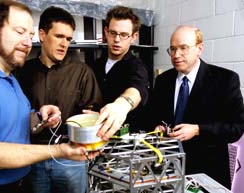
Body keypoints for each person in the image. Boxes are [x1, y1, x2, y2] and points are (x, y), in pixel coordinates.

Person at [0, 1, 98, 192]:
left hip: (16, 184)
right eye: (19, 32)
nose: (27, 42)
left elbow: (14, 126)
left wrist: (39, 117)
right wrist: (58, 150)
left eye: (30, 35)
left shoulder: (9, 79)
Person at [15, 6, 103, 193]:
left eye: (69, 39)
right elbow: (15, 116)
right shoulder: (22, 72)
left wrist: (91, 119)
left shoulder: (82, 72)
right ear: (42, 35)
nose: (65, 44)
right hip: (33, 156)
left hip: (70, 158)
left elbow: (92, 113)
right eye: (59, 36)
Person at [146, 25, 244, 189]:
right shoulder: (163, 80)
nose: (176, 55)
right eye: (172, 49)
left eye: (183, 48)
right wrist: (157, 125)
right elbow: (152, 115)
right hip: (167, 169)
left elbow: (236, 127)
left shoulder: (225, 80)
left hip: (207, 172)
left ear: (199, 49)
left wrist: (198, 129)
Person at [87, 6, 149, 140]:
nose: (117, 39)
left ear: (133, 37)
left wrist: (122, 105)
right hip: (95, 137)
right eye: (113, 33)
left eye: (124, 35)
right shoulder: (95, 65)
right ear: (106, 32)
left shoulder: (137, 67)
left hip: (124, 142)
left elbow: (137, 90)